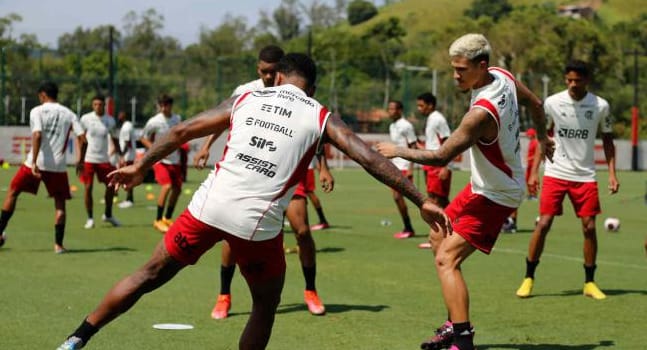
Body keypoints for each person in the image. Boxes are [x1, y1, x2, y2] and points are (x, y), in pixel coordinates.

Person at [56, 52, 449, 350]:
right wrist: (420, 199)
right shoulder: (320, 114)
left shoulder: (245, 99)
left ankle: (76, 339)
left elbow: (183, 131)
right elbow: (368, 156)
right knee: (264, 303)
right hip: (255, 224)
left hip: (207, 206)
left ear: (277, 77)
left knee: (147, 276)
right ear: (310, 88)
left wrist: (141, 165)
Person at [376, 33, 552, 350]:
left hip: (497, 193)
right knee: (436, 233)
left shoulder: (480, 114)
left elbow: (442, 155)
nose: (456, 75)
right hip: (484, 186)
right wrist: (543, 137)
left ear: (482, 65)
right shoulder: (504, 76)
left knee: (446, 259)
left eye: (461, 69)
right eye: (453, 68)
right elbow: (536, 104)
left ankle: (463, 340)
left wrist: (396, 150)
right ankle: (453, 324)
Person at [193, 45, 331, 319]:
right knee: (232, 234)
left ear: (281, 72)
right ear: (258, 69)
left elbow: (315, 131)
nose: (268, 77)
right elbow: (221, 119)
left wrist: (323, 167)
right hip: (249, 176)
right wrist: (207, 145)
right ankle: (224, 295)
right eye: (263, 71)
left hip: (287, 175)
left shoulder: (298, 93)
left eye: (272, 72)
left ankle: (311, 291)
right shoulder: (246, 91)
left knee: (303, 232)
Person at [515, 60, 619, 300]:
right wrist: (533, 173)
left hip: (585, 175)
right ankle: (528, 277)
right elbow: (544, 138)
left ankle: (590, 282)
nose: (573, 84)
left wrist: (612, 173)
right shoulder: (552, 102)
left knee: (590, 227)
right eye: (569, 80)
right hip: (556, 172)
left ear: (587, 80)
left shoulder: (600, 106)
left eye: (577, 80)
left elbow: (608, 140)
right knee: (543, 224)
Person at [0, 81, 85, 253]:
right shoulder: (69, 113)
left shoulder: (37, 111)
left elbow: (37, 135)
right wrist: (80, 161)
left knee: (13, 192)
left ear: (43, 95)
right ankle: (58, 245)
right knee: (60, 204)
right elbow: (83, 139)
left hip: (35, 163)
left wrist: (34, 162)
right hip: (58, 167)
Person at [141, 93, 183, 233]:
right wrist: (154, 149)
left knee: (177, 190)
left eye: (167, 105)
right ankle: (158, 220)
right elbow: (143, 138)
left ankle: (167, 218)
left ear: (171, 105)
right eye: (162, 105)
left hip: (175, 160)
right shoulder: (154, 121)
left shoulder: (177, 119)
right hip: (161, 160)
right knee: (167, 186)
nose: (164, 108)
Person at [78, 95, 121, 229]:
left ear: (104, 106)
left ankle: (108, 214)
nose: (97, 107)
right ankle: (90, 218)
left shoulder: (110, 121)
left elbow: (114, 138)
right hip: (89, 159)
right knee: (88, 187)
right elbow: (81, 139)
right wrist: (80, 159)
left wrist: (120, 155)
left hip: (104, 159)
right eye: (95, 104)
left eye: (100, 104)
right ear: (92, 105)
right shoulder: (85, 119)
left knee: (111, 187)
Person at [417, 92, 452, 248]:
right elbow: (433, 144)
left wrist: (446, 165)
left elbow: (447, 141)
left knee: (436, 201)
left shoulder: (438, 119)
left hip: (437, 165)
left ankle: (437, 238)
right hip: (430, 163)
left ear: (430, 105)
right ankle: (451, 232)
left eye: (421, 105)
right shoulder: (431, 119)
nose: (419, 109)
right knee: (440, 201)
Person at [386, 100, 419, 239]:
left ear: (400, 110)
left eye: (393, 109)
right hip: (395, 167)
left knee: (414, 199)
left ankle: (412, 227)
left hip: (405, 166)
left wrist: (411, 167)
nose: (390, 111)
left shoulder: (406, 125)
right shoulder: (392, 126)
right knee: (397, 198)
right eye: (389, 109)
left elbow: (413, 146)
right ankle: (408, 227)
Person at [501, 127, 539, 233]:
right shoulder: (512, 138)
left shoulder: (511, 139)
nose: (527, 136)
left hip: (511, 169)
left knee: (510, 195)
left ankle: (511, 222)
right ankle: (508, 221)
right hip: (509, 169)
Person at [116, 111, 137, 209]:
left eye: (120, 115)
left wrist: (122, 156)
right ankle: (128, 199)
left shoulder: (126, 127)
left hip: (128, 156)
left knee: (128, 178)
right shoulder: (127, 125)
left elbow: (127, 143)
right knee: (126, 177)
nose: (119, 116)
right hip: (128, 156)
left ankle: (130, 200)